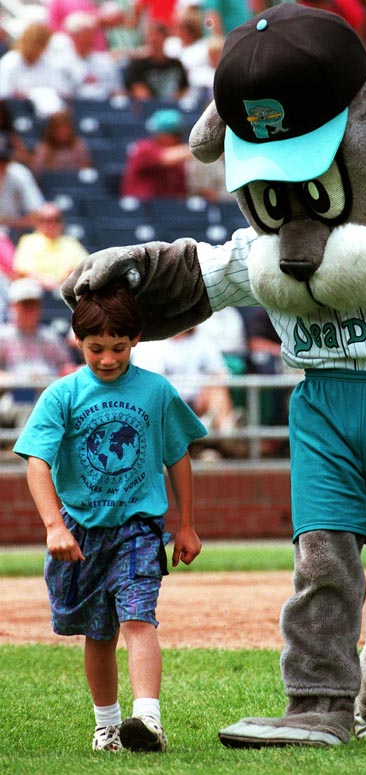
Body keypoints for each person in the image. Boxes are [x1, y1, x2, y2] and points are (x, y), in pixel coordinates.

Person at [13, 280, 206, 752]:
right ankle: (108, 726)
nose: (107, 359)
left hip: (139, 528)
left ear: (135, 340)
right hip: (79, 528)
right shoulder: (62, 395)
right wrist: (54, 526)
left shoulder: (156, 391)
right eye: (96, 348)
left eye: (118, 348)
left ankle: (148, 720)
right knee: (98, 635)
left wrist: (185, 523)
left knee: (139, 619)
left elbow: (177, 455)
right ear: (78, 341)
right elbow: (37, 461)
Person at [0, 277, 76, 426]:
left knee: (61, 403)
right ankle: (26, 449)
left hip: (49, 389)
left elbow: (66, 366)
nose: (29, 310)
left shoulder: (50, 336)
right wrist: (13, 378)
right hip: (18, 392)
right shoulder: (3, 336)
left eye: (33, 305)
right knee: (30, 405)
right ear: (13, 307)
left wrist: (66, 373)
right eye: (24, 305)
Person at [13, 201, 89, 290]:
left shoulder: (70, 242)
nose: (52, 224)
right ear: (38, 222)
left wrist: (63, 281)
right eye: (47, 220)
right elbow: (23, 271)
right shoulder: (29, 241)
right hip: (37, 290)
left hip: (67, 288)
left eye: (56, 220)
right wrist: (48, 283)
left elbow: (84, 267)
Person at [52, 11, 125, 100]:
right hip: (77, 108)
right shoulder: (61, 64)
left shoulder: (105, 61)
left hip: (105, 108)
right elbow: (63, 95)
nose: (90, 39)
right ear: (74, 36)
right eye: (85, 34)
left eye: (92, 34)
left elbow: (117, 91)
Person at [121, 108, 191, 199]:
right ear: (161, 134)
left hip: (168, 207)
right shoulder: (144, 148)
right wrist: (196, 149)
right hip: (141, 207)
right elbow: (167, 158)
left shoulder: (178, 162)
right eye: (175, 135)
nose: (178, 139)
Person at [0, 22, 69, 114]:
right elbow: (4, 94)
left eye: (41, 44)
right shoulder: (10, 62)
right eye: (34, 42)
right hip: (15, 113)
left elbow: (62, 91)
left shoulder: (48, 63)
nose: (35, 47)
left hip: (46, 116)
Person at [123, 20, 189, 100]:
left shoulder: (176, 64)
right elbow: (139, 92)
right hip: (148, 109)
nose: (154, 40)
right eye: (150, 36)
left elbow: (183, 90)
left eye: (157, 36)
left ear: (165, 38)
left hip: (173, 109)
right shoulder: (138, 65)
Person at [0, 131, 45, 232]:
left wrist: (7, 222)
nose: (1, 165)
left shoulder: (19, 173)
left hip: (12, 232)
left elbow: (39, 214)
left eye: (3, 160)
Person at [31, 110, 93, 174]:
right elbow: (37, 173)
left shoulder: (79, 146)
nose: (62, 132)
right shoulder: (43, 148)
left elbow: (86, 172)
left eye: (65, 128)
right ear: (51, 130)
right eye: (58, 129)